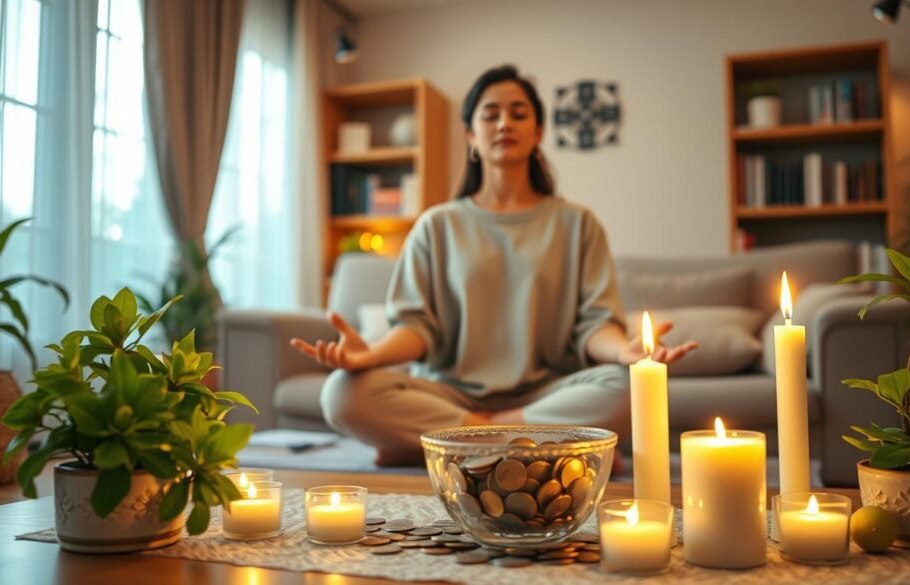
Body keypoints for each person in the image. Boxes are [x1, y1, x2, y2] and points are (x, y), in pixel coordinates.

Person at [291, 65, 697, 466]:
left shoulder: (578, 223)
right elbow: (416, 328)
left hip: (545, 394)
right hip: (449, 395)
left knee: (631, 386)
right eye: (490, 115)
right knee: (342, 393)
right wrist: (372, 356)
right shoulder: (437, 225)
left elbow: (595, 325)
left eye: (518, 114)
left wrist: (624, 350)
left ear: (538, 133)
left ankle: (446, 445)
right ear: (470, 134)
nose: (504, 123)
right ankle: (550, 446)